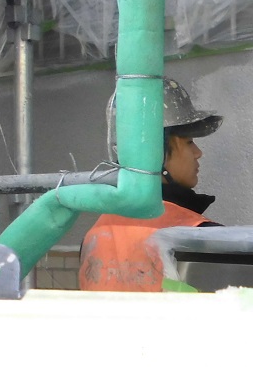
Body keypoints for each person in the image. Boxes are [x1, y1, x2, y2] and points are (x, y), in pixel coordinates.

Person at [78, 78, 222, 291]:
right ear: (155, 152)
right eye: (189, 142)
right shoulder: (198, 234)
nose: (198, 153)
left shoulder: (95, 234)